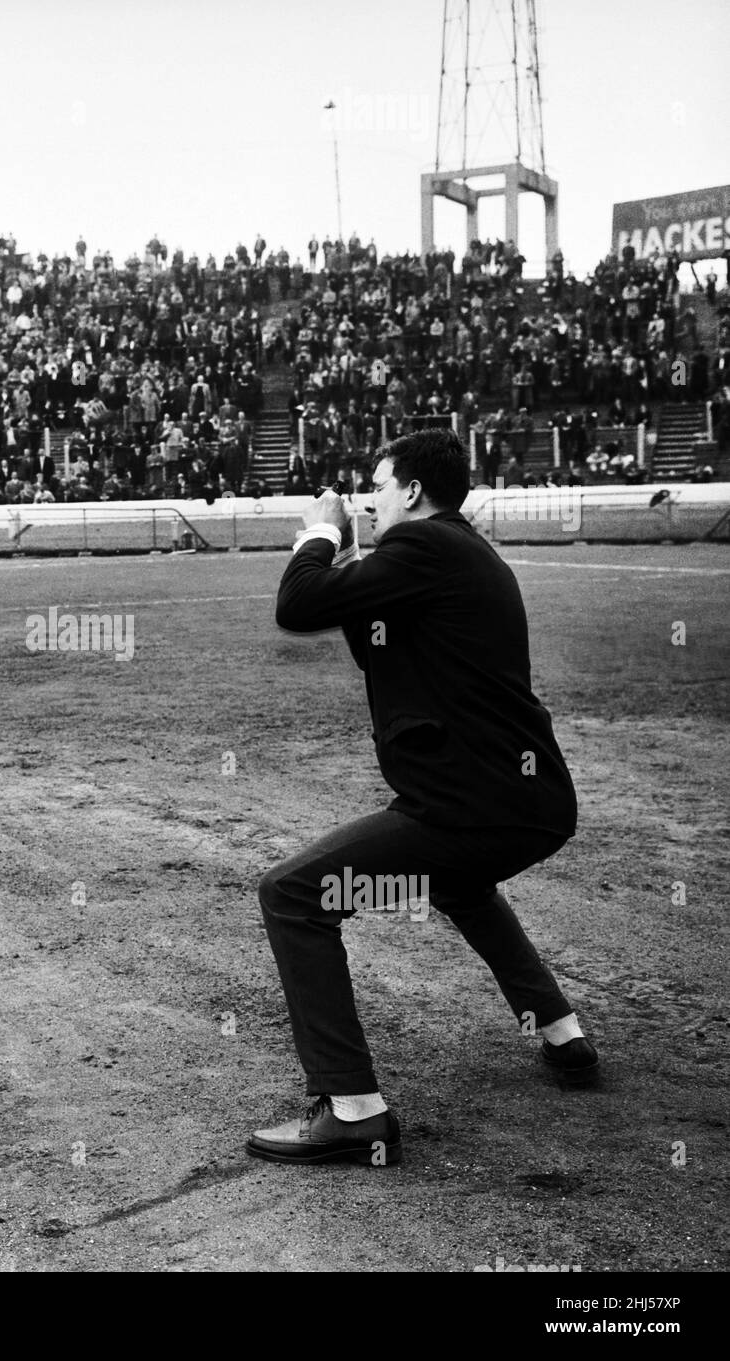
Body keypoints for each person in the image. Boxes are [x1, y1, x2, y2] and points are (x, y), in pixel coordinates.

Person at [249, 428, 595, 1166]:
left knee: (293, 893)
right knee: (461, 885)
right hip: (524, 803)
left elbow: (298, 604)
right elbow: (374, 637)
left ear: (410, 490)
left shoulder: (427, 548)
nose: (370, 502)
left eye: (377, 487)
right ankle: (564, 1036)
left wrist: (317, 532)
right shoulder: (457, 551)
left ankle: (353, 1108)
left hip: (468, 803)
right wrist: (347, 557)